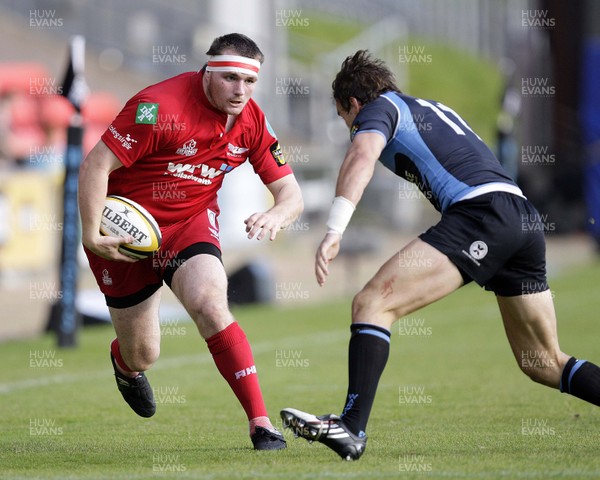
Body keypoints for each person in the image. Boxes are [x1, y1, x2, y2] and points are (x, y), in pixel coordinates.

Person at [281, 50, 600, 461]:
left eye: (345, 118)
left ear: (353, 103)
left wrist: (333, 229)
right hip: (520, 217)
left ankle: (351, 427)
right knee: (542, 361)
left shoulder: (378, 109)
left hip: (481, 214)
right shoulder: (427, 107)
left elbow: (361, 156)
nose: (351, 127)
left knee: (371, 303)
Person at [79, 33, 303, 450]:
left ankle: (260, 423)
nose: (241, 91)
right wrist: (91, 232)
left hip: (190, 223)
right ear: (208, 71)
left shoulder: (252, 120)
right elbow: (96, 164)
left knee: (210, 303)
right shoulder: (158, 107)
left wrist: (277, 213)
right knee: (144, 353)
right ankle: (125, 365)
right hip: (127, 234)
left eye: (249, 82)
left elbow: (291, 194)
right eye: (231, 79)